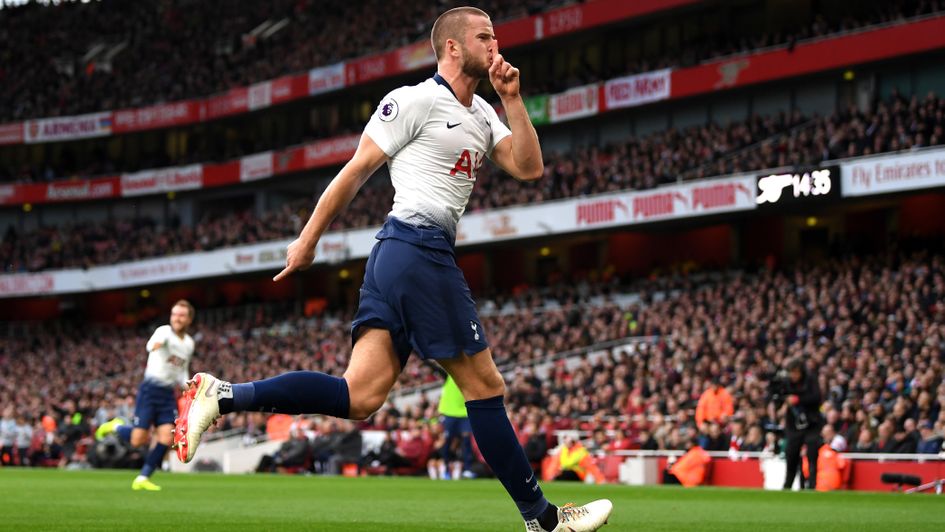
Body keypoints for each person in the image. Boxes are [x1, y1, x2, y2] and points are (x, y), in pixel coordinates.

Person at [172, 7, 611, 530]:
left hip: (402, 256)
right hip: (416, 248)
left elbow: (529, 167)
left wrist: (512, 99)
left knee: (361, 396)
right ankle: (542, 518)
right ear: (452, 47)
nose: (495, 45)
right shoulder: (414, 99)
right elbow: (356, 170)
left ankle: (222, 395)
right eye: (484, 36)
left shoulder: (485, 114)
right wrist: (308, 239)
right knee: (485, 386)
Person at [98, 300, 195, 491]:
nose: (177, 317)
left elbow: (181, 371)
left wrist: (188, 386)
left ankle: (143, 477)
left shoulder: (189, 344)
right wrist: (157, 345)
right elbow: (151, 345)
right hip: (150, 390)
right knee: (138, 440)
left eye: (182, 315)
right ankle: (116, 426)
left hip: (168, 394)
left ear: (189, 319)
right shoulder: (164, 331)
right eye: (174, 313)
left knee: (167, 438)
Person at [781, 358, 824, 490]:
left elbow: (817, 398)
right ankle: (788, 485)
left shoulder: (811, 381)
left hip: (811, 423)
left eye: (796, 373)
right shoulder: (786, 383)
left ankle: (812, 485)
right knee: (791, 453)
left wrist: (798, 399)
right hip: (794, 424)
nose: (793, 376)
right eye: (791, 373)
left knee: (812, 453)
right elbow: (779, 396)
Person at [435, 375, 475, 479]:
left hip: (464, 412)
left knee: (466, 439)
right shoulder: (448, 374)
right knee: (448, 441)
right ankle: (446, 467)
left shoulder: (469, 374)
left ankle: (467, 469)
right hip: (449, 413)